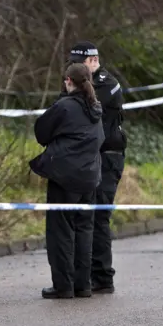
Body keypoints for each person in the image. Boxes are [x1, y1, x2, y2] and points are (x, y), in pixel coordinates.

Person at [29, 63, 105, 299]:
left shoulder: (64, 107)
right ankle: (83, 284)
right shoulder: (96, 107)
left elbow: (41, 131)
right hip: (89, 177)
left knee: (61, 231)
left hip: (65, 177)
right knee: (84, 230)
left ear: (69, 81)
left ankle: (63, 285)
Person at [66, 41, 127, 294]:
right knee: (86, 216)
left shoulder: (106, 83)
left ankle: (102, 276)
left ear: (92, 60)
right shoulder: (89, 82)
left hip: (108, 156)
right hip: (93, 157)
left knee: (99, 216)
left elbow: (83, 107)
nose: (72, 68)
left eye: (77, 63)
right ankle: (85, 273)